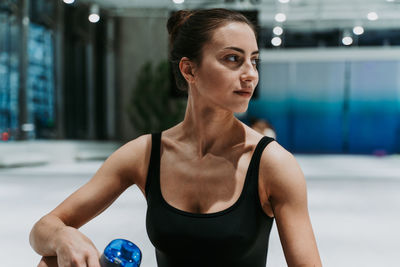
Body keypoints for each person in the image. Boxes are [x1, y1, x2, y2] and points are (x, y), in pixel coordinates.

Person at [29, 8, 322, 267]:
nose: (250, 75)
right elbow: (42, 229)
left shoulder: (273, 164)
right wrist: (64, 235)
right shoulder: (145, 154)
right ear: (188, 69)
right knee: (53, 261)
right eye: (233, 59)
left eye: (254, 61)